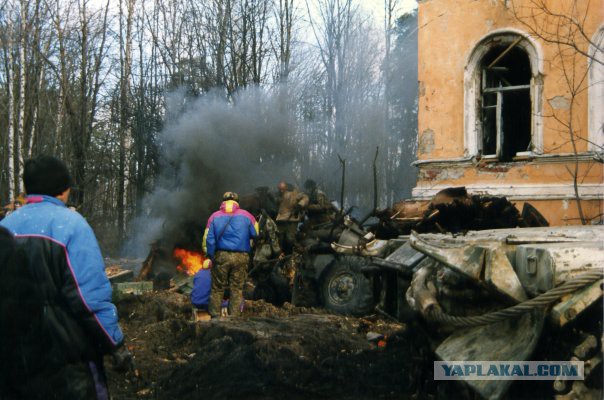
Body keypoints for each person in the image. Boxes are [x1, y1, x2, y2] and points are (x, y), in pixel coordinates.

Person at [0, 155, 130, 400]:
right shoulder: (72, 225)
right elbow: (89, 298)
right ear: (62, 190)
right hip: (66, 359)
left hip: (15, 356)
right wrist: (115, 344)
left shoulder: (7, 224)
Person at [203, 191, 258, 318]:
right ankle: (234, 317)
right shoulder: (247, 216)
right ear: (237, 202)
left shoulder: (214, 216)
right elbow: (255, 234)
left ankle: (215, 317)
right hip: (241, 256)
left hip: (221, 256)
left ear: (223, 201)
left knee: (217, 288)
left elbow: (209, 239)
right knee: (237, 288)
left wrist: (211, 255)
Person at [275, 181, 309, 254]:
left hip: (292, 219)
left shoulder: (294, 194)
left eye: (282, 189)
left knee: (290, 239)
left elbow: (305, 197)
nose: (281, 191)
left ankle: (289, 254)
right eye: (280, 189)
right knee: (281, 238)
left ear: (286, 188)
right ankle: (281, 255)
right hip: (281, 220)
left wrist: (299, 205)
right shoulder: (278, 196)